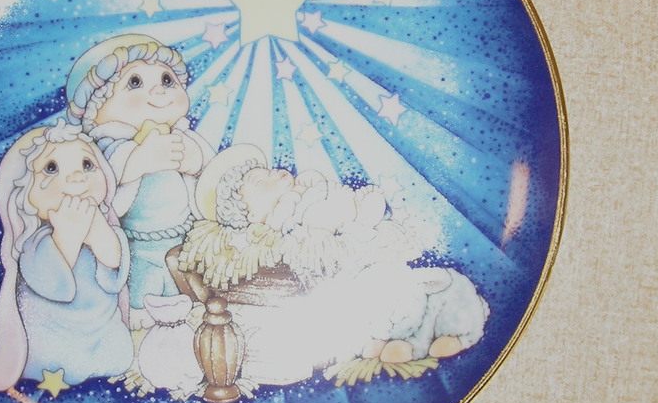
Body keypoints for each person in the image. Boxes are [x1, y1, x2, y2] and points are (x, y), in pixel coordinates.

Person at [174, 145, 489, 385]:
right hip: (352, 280)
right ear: (248, 214)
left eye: (267, 170)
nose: (275, 172)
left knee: (428, 286)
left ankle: (456, 328)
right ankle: (406, 341)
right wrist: (355, 222)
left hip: (366, 260)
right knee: (398, 294)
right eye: (261, 180)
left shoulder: (306, 195)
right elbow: (314, 236)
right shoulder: (275, 232)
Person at [0, 119, 133, 392]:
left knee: (120, 351)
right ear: (25, 194)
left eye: (87, 164)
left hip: (105, 340)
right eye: (51, 168)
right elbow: (53, 286)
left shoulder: (106, 226)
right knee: (54, 356)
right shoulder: (34, 243)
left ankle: (108, 356)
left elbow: (114, 271)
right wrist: (68, 236)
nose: (78, 177)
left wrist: (97, 233)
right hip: (55, 347)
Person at [66, 34, 213, 329]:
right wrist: (136, 162)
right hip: (137, 247)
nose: (158, 90)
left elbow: (211, 175)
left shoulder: (184, 138)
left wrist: (195, 160)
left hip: (184, 243)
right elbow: (102, 184)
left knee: (189, 295)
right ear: (97, 107)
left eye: (167, 80)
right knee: (142, 300)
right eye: (134, 82)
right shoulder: (102, 148)